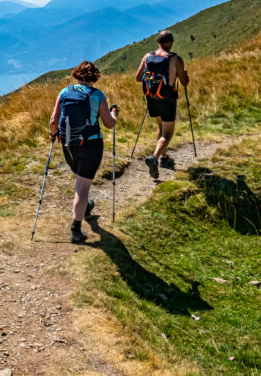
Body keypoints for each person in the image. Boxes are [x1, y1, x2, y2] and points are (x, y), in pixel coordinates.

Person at [49, 61, 119, 243]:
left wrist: (53, 134)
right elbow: (109, 124)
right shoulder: (97, 95)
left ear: (77, 74)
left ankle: (86, 206)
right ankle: (76, 229)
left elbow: (53, 121)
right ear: (95, 76)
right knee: (82, 188)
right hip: (90, 145)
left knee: (80, 179)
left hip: (68, 145)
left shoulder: (65, 92)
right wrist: (114, 114)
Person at [135, 30, 189, 179]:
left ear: (158, 41)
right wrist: (185, 74)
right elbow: (184, 83)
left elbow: (138, 78)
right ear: (171, 43)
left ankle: (164, 158)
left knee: (161, 127)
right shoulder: (175, 59)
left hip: (152, 98)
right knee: (168, 132)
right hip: (167, 99)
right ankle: (155, 157)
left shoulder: (148, 56)